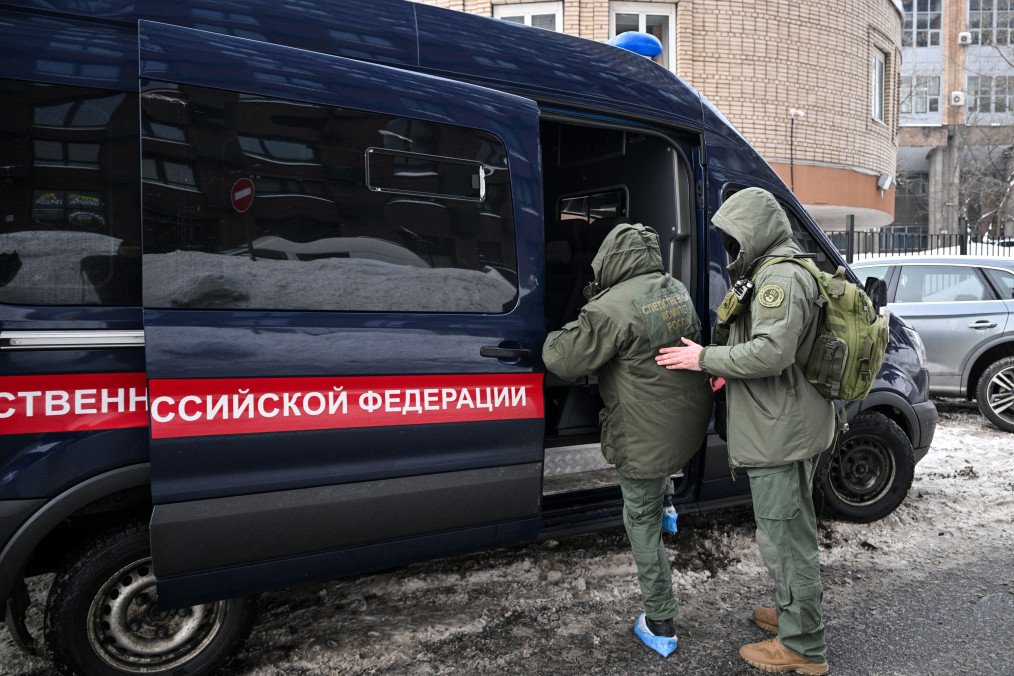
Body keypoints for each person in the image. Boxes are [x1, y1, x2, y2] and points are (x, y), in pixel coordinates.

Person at [655, 187, 834, 675]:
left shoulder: (781, 278)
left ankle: (803, 646)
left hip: (781, 433)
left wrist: (704, 358)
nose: (729, 246)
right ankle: (793, 613)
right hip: (783, 424)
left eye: (734, 236)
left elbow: (772, 353)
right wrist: (724, 368)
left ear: (755, 231)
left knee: (785, 539)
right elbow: (763, 346)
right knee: (784, 532)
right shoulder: (770, 270)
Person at [542, 222, 712, 657]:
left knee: (640, 521)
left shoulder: (610, 308)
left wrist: (558, 328)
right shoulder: (673, 288)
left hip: (645, 434)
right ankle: (668, 504)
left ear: (611, 258)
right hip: (684, 421)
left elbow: (562, 360)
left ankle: (660, 621)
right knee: (660, 467)